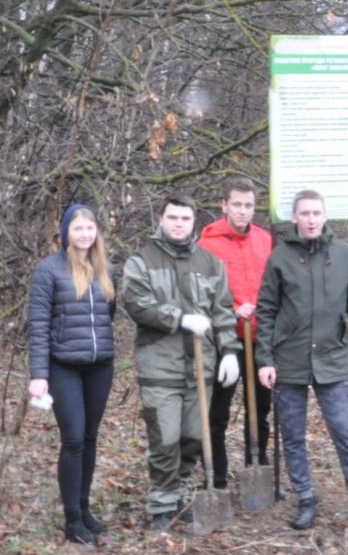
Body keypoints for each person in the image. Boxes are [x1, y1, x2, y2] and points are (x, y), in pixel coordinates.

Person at [255, 189, 348, 532]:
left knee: (345, 432)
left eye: (316, 213)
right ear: (294, 218)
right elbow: (265, 311)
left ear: (325, 216)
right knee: (292, 436)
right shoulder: (279, 257)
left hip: (332, 356)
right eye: (304, 213)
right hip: (289, 359)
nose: (311, 219)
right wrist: (264, 358)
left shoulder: (342, 254)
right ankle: (306, 498)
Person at [121, 193, 240, 531]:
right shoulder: (141, 261)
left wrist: (230, 351)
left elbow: (223, 311)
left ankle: (180, 492)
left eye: (185, 219)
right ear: (161, 218)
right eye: (172, 217)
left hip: (200, 369)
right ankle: (161, 502)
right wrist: (180, 318)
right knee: (165, 439)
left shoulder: (210, 263)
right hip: (160, 368)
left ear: (193, 223)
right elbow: (136, 302)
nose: (178, 224)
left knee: (192, 437)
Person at [28, 204, 116, 544]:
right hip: (63, 365)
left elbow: (109, 313)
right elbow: (37, 325)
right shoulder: (48, 271)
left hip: (100, 365)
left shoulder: (106, 268)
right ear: (66, 232)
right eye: (78, 228)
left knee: (91, 437)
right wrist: (39, 373)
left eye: (90, 228)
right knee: (74, 438)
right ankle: (72, 518)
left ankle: (84, 507)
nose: (84, 234)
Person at [197, 177, 273, 490]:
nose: (243, 211)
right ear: (224, 205)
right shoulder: (206, 243)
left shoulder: (266, 240)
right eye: (237, 205)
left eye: (249, 206)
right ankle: (216, 476)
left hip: (260, 337)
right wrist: (231, 310)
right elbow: (201, 294)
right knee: (218, 411)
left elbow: (273, 285)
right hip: (224, 340)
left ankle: (257, 465)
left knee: (261, 408)